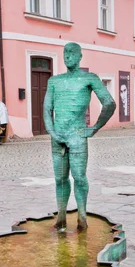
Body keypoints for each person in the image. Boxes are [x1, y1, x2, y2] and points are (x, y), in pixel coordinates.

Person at [44, 42, 116, 231]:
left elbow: (109, 103)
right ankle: (61, 218)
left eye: (72, 53)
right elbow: (46, 109)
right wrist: (52, 133)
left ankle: (82, 218)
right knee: (60, 179)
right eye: (65, 53)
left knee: (79, 177)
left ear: (80, 56)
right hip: (58, 136)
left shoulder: (89, 78)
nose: (68, 56)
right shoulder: (54, 81)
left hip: (77, 135)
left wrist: (94, 128)